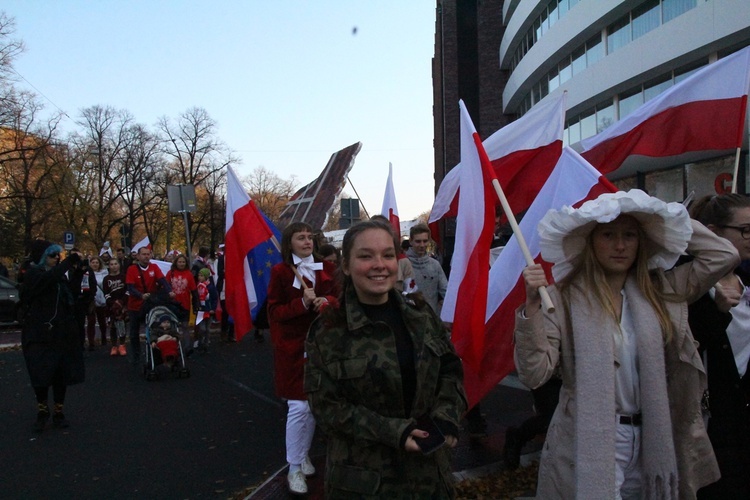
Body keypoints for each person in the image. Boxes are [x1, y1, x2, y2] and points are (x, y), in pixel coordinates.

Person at [514, 189, 739, 498]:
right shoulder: (561, 298)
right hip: (588, 439)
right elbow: (534, 373)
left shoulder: (660, 289)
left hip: (653, 437)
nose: (620, 245)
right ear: (591, 241)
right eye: (608, 235)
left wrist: (665, 214)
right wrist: (532, 309)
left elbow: (724, 255)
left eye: (630, 235)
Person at [304, 219, 467, 497]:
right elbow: (326, 408)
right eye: (366, 256)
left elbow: (450, 370)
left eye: (388, 255)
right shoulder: (329, 330)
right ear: (346, 265)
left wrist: (447, 417)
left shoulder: (421, 315)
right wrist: (396, 432)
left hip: (429, 479)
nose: (379, 264)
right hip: (364, 485)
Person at [267, 221, 339, 495]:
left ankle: (303, 453)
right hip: (293, 349)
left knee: (313, 405)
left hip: (323, 346)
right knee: (298, 407)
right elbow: (274, 312)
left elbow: (341, 298)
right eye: (301, 238)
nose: (307, 242)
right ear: (290, 243)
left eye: (310, 237)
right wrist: (301, 304)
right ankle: (294, 467)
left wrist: (327, 302)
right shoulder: (280, 272)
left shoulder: (329, 269)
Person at [688, 193, 750, 498]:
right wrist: (718, 313)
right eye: (745, 230)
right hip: (712, 431)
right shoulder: (689, 293)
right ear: (713, 232)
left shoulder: (747, 284)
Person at [20, 240, 86, 432]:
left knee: (60, 373)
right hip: (39, 332)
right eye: (52, 255)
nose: (57, 259)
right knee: (41, 373)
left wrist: (79, 272)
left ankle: (58, 411)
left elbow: (71, 294)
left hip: (61, 332)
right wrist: (69, 261)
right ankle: (42, 410)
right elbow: (48, 280)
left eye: (59, 256)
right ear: (42, 257)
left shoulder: (59, 277)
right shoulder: (34, 274)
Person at [125, 246, 171, 364]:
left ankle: (154, 352)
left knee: (154, 328)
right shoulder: (132, 269)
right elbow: (130, 287)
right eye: (143, 254)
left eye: (148, 254)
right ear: (138, 256)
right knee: (134, 332)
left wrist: (169, 291)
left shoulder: (154, 267)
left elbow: (162, 281)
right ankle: (136, 355)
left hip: (150, 303)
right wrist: (140, 295)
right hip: (135, 305)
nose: (146, 256)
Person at [406, 223, 447, 313]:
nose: (422, 245)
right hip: (409, 320)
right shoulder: (402, 265)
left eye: (425, 241)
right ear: (410, 241)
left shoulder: (435, 265)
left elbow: (446, 291)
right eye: (418, 241)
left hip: (431, 320)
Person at [166, 254, 199, 354]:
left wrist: (196, 304)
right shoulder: (170, 273)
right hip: (172, 305)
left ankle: (187, 347)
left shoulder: (189, 274)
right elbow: (165, 287)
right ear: (176, 262)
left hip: (185, 304)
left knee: (185, 327)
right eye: (179, 262)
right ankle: (172, 348)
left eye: (183, 262)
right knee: (172, 328)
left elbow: (194, 290)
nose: (181, 264)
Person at [103, 258, 128, 356]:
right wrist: (113, 303)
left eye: (115, 264)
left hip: (122, 304)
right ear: (109, 266)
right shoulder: (106, 279)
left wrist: (121, 302)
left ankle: (122, 345)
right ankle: (114, 346)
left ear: (119, 265)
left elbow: (127, 290)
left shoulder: (124, 276)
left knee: (122, 325)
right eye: (111, 264)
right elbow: (106, 293)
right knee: (113, 326)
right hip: (111, 305)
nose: (114, 266)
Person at [85, 256, 109, 351]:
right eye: (93, 262)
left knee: (102, 320)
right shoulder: (86, 273)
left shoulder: (104, 273)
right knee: (91, 321)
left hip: (101, 299)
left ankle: (104, 337)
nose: (95, 264)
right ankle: (91, 342)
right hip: (90, 300)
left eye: (96, 262)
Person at [194, 267, 218, 353]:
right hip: (201, 310)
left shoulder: (210, 287)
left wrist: (213, 308)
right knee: (202, 328)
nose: (199, 277)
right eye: (199, 275)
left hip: (209, 310)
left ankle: (206, 344)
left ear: (206, 277)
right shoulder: (197, 286)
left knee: (208, 329)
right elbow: (195, 298)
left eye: (201, 276)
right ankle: (200, 342)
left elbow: (215, 298)